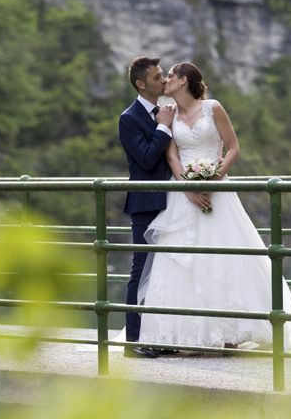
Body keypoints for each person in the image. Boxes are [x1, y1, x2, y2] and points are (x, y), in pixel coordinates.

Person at [137, 62, 291, 352]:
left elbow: (234, 147)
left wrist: (215, 177)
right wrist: (186, 187)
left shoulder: (213, 107)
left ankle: (229, 331)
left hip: (218, 191)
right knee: (181, 261)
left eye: (171, 76)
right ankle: (181, 334)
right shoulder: (168, 113)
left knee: (223, 258)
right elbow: (172, 157)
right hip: (183, 194)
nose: (166, 80)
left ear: (184, 80)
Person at [118, 56, 176, 358]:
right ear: (141, 84)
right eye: (157, 77)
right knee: (141, 270)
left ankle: (162, 335)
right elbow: (146, 158)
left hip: (174, 202)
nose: (163, 80)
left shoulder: (168, 111)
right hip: (145, 202)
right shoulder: (129, 118)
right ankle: (132, 341)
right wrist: (163, 128)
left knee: (168, 270)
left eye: (164, 74)